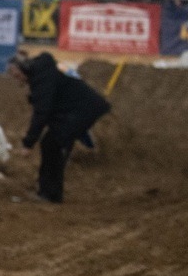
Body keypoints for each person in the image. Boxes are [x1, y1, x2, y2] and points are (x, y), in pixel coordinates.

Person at [7, 50, 111, 203]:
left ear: (24, 69)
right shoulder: (41, 75)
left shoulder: (42, 80)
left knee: (53, 145)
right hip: (76, 110)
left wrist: (28, 143)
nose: (15, 78)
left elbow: (42, 113)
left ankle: (50, 194)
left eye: (16, 74)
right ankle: (47, 192)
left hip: (81, 110)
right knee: (51, 143)